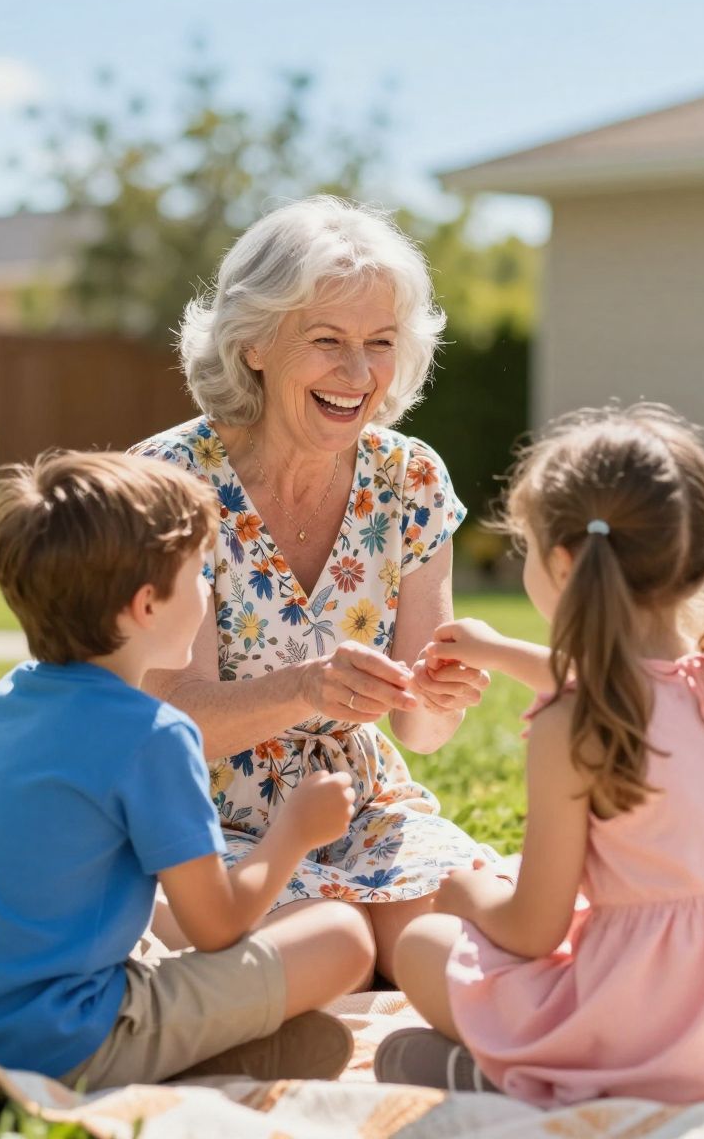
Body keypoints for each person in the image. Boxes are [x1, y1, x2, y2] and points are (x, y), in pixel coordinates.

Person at [377, 404, 704, 1104]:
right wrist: (498, 652)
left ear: (563, 564)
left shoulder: (572, 726)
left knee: (422, 946)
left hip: (652, 1035)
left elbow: (534, 932)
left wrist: (469, 896)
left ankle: (532, 1078)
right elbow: (619, 688)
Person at [0, 451, 374, 1089]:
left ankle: (210, 1049)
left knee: (157, 920)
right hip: (54, 1043)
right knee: (343, 936)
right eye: (202, 573)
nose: (212, 589)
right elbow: (218, 927)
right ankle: (173, 1059)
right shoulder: (154, 734)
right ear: (146, 606)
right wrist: (295, 828)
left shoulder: (14, 693)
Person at [134, 195, 495, 984]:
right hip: (205, 824)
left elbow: (425, 734)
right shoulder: (171, 482)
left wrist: (440, 695)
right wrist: (308, 688)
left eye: (380, 344)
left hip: (360, 806)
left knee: (469, 934)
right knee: (334, 946)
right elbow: (170, 726)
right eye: (327, 341)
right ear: (255, 344)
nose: (358, 374)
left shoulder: (412, 478)